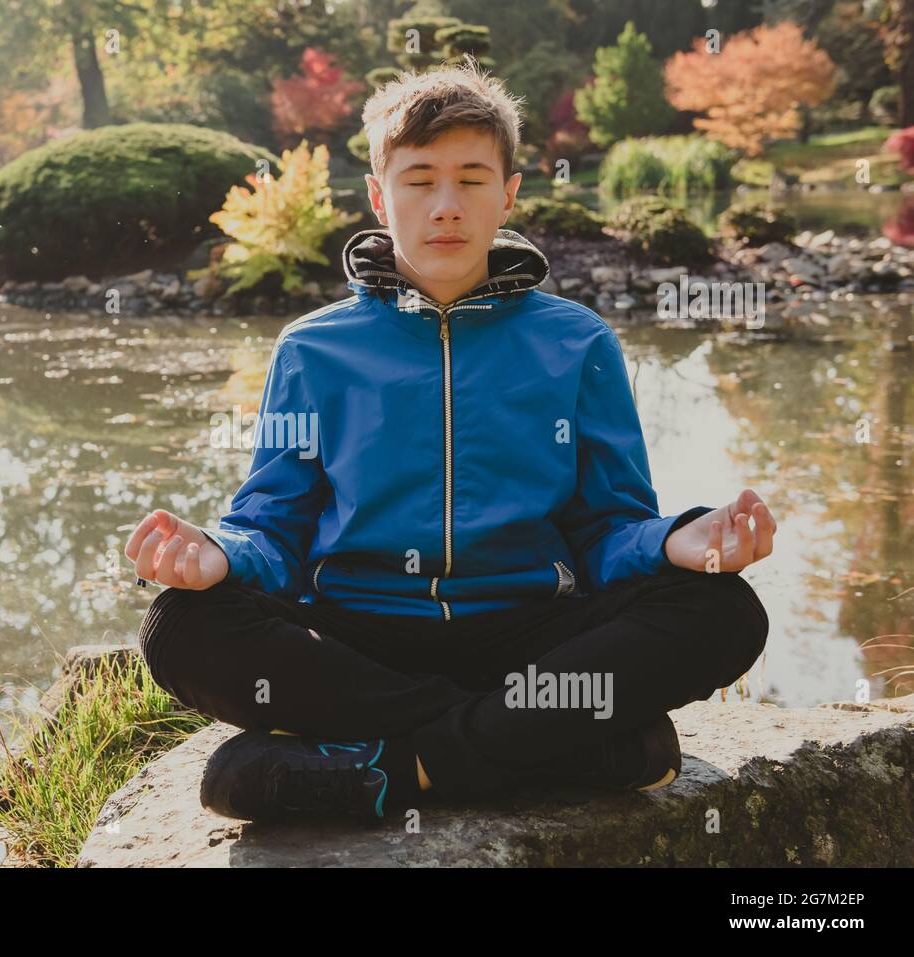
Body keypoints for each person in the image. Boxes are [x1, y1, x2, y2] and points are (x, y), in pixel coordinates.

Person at [124, 56, 775, 825]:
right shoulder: (312, 349)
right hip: (359, 646)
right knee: (180, 625)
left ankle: (402, 763)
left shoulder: (578, 343)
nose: (445, 206)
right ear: (378, 195)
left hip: (528, 638)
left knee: (725, 611)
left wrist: (674, 541)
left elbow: (606, 530)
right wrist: (221, 553)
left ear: (508, 194)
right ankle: (537, 741)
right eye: (419, 178)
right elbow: (276, 525)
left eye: (471, 179)